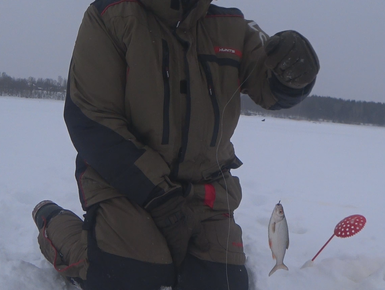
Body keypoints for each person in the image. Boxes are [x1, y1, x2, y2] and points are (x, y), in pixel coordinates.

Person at [32, 0, 319, 289]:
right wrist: (159, 196)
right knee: (127, 276)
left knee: (222, 284)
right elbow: (90, 119)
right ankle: (53, 223)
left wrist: (294, 74)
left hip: (205, 191)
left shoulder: (232, 26)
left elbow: (269, 84)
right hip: (126, 185)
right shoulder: (110, 16)